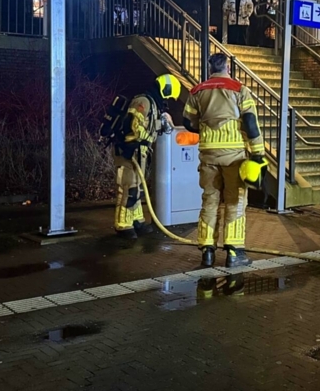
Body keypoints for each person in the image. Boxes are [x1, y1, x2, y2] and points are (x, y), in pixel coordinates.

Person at [183, 53, 265, 268]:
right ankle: (234, 253)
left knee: (209, 201)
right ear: (227, 67)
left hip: (208, 154)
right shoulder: (239, 90)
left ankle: (207, 252)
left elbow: (188, 122)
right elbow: (250, 122)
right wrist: (258, 153)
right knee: (235, 202)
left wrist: (205, 129)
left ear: (210, 68)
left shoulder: (197, 91)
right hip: (234, 156)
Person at [113, 74, 180, 239]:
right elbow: (134, 126)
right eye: (169, 96)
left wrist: (163, 122)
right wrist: (159, 124)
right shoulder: (143, 101)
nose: (167, 100)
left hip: (139, 152)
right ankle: (123, 224)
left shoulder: (153, 103)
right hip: (129, 151)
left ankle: (136, 220)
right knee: (128, 188)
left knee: (137, 188)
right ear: (166, 90)